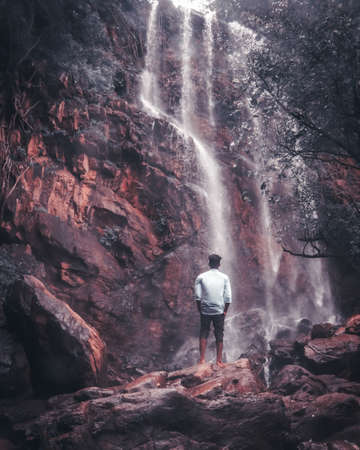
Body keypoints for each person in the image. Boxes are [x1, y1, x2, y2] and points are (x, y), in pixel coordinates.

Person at [194, 253, 232, 367]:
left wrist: (199, 309)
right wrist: (225, 311)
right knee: (219, 334)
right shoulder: (225, 277)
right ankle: (219, 361)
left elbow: (197, 296)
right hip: (219, 310)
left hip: (205, 310)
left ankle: (201, 359)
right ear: (219, 264)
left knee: (204, 332)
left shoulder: (201, 277)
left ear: (209, 263)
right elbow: (228, 297)